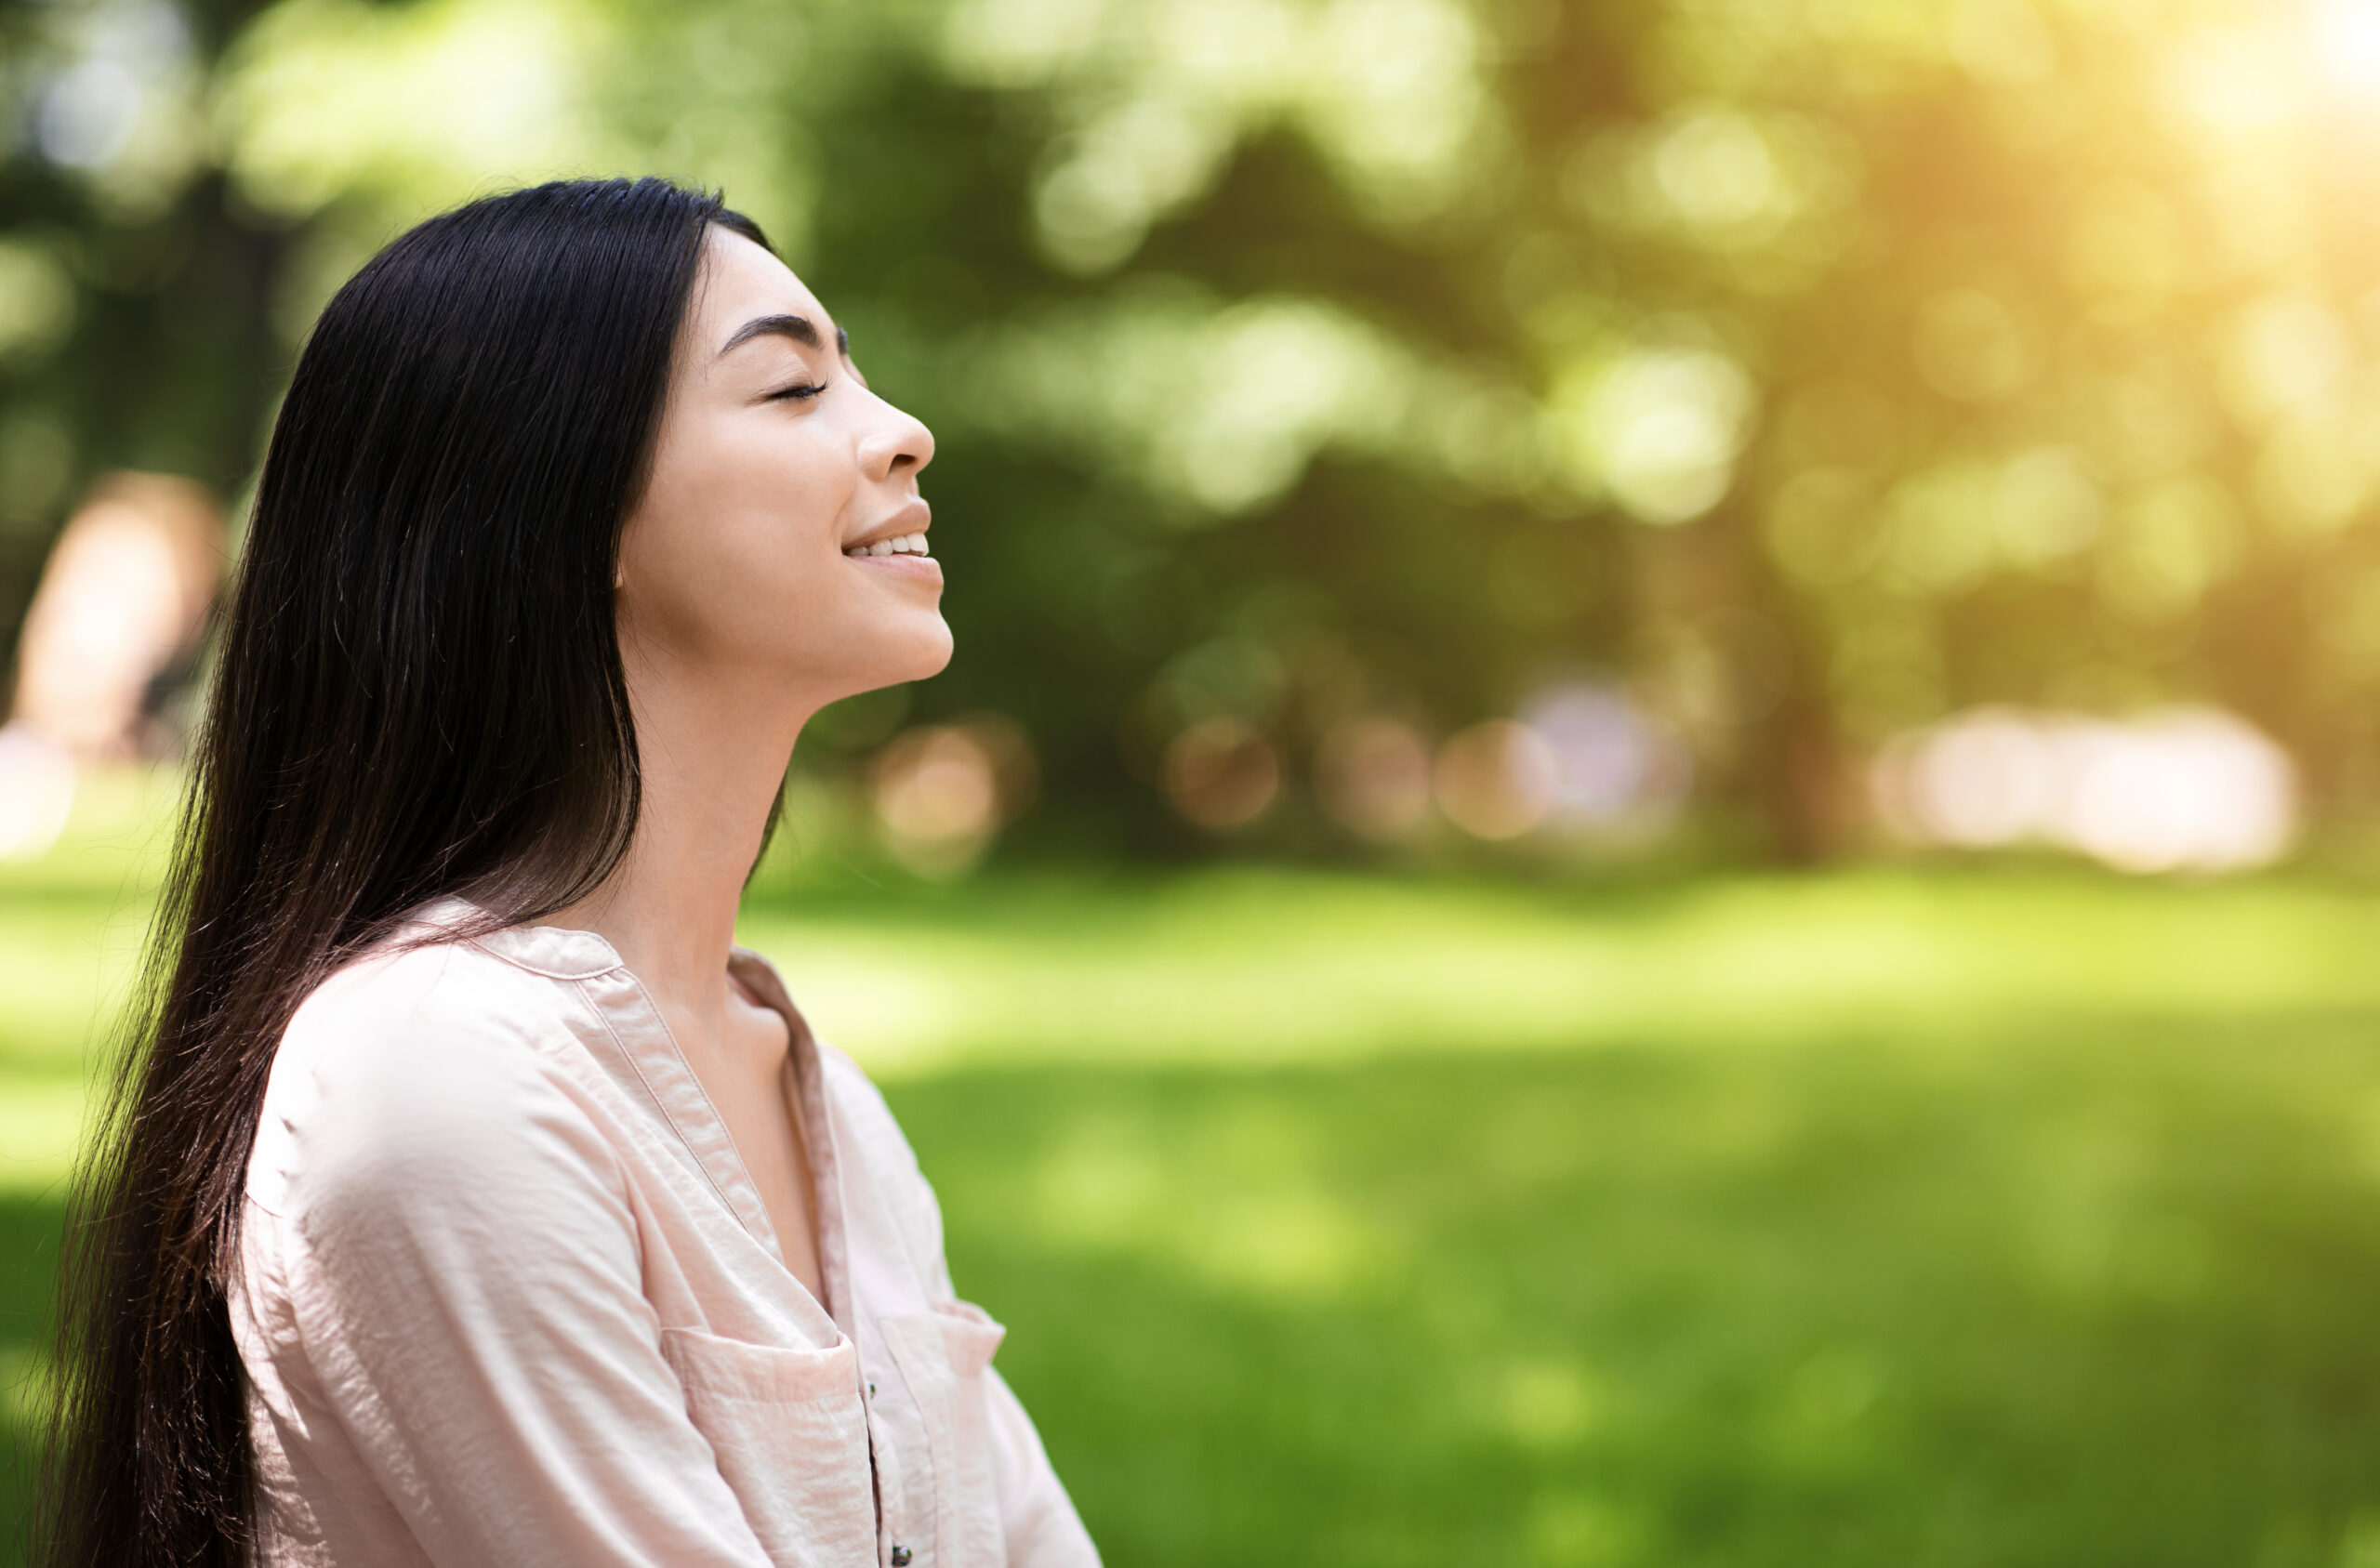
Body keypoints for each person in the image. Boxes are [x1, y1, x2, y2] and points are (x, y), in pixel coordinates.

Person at [43, 177, 1101, 1568]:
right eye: (791, 390)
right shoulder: (430, 1079)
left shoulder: (827, 1103)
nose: (903, 431)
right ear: (565, 505)